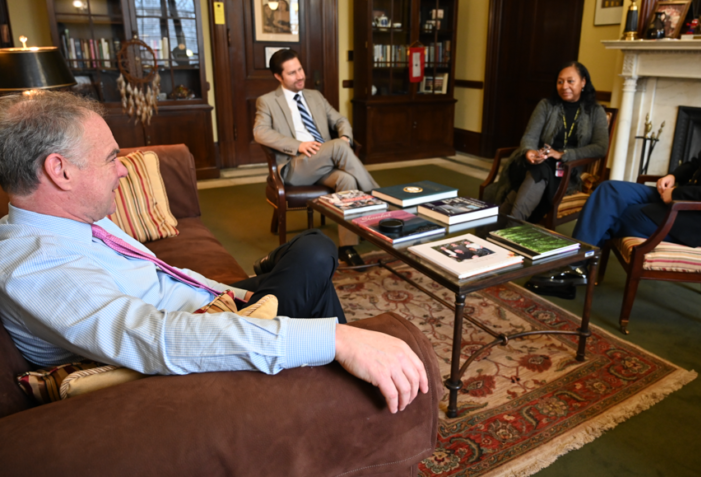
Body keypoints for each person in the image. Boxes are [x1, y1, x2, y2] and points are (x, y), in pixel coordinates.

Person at [0, 91, 427, 415]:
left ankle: (334, 394)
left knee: (312, 251)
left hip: (209, 302)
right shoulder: (35, 265)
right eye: (112, 158)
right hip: (200, 333)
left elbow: (160, 274)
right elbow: (156, 339)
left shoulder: (74, 221)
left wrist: (227, 289)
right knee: (315, 258)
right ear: (60, 170)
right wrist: (335, 337)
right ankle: (340, 400)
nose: (124, 169)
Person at [529, 69, 701, 299]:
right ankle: (574, 267)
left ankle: (570, 272)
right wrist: (675, 176)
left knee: (614, 214)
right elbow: (697, 162)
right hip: (681, 199)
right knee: (609, 189)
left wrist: (680, 193)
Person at [254, 48, 379, 267]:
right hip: (295, 168)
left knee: (347, 180)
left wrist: (344, 136)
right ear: (278, 76)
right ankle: (381, 200)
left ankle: (347, 247)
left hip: (323, 162)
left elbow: (340, 120)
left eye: (300, 69)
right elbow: (260, 132)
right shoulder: (267, 101)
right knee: (339, 148)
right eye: (292, 73)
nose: (300, 76)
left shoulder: (315, 96)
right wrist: (298, 145)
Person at [489, 61, 609, 225]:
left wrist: (563, 154)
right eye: (560, 81)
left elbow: (600, 147)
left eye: (570, 81)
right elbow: (530, 136)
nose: (564, 86)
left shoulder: (595, 111)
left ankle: (501, 228)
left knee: (533, 178)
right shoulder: (546, 105)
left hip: (567, 171)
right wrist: (529, 151)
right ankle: (509, 230)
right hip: (538, 162)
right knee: (539, 168)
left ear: (583, 82)